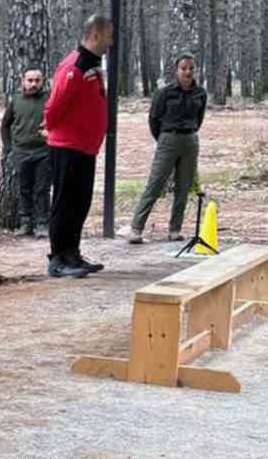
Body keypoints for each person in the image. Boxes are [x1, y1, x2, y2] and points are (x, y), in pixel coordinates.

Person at [42, 14, 114, 279]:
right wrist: (51, 128)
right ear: (95, 35)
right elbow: (55, 103)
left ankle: (72, 253)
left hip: (85, 146)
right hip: (68, 146)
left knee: (79, 202)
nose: (111, 41)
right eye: (108, 35)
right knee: (65, 202)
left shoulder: (91, 64)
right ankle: (58, 258)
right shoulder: (75, 65)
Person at [124, 53, 207, 243]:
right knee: (155, 184)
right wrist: (163, 139)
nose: (187, 72)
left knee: (183, 187)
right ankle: (136, 228)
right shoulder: (165, 93)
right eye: (184, 68)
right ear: (176, 70)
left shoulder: (200, 93)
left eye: (191, 68)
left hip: (190, 141)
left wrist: (191, 133)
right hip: (168, 140)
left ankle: (174, 230)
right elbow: (153, 119)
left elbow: (199, 118)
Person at [0, 68, 51, 238]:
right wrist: (9, 147)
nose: (33, 84)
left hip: (44, 152)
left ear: (42, 81)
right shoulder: (15, 100)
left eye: (37, 80)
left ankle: (43, 223)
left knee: (42, 188)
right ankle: (25, 222)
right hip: (20, 152)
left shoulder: (49, 99)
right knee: (23, 189)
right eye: (30, 80)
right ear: (23, 81)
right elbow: (5, 125)